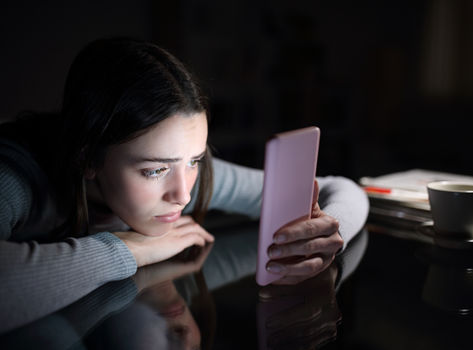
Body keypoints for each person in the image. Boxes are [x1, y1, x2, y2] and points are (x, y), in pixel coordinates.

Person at [0, 37, 369, 333]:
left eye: (194, 160)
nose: (184, 194)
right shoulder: (14, 176)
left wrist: (322, 232)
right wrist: (129, 250)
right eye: (154, 171)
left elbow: (342, 188)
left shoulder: (189, 176)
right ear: (87, 158)